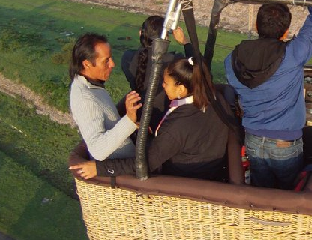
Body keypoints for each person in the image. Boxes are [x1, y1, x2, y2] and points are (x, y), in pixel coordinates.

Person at [225, 0, 312, 189]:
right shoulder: (293, 54)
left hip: (252, 139)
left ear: (257, 27)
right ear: (285, 32)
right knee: (287, 198)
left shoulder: (232, 59)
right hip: (285, 145)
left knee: (261, 194)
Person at [69, 57, 230, 181]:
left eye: (166, 83)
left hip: (183, 176)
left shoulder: (178, 127)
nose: (163, 86)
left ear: (181, 88)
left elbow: (145, 164)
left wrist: (99, 168)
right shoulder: (214, 99)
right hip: (208, 165)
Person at [69, 33, 141, 161]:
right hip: (120, 169)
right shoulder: (85, 99)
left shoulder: (91, 84)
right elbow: (98, 150)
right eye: (106, 60)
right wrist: (129, 119)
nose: (112, 64)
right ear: (87, 64)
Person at [120, 16, 192, 129]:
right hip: (163, 120)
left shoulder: (127, 57)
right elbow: (200, 69)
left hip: (136, 114)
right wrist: (185, 42)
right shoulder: (174, 61)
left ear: (140, 33)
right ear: (165, 38)